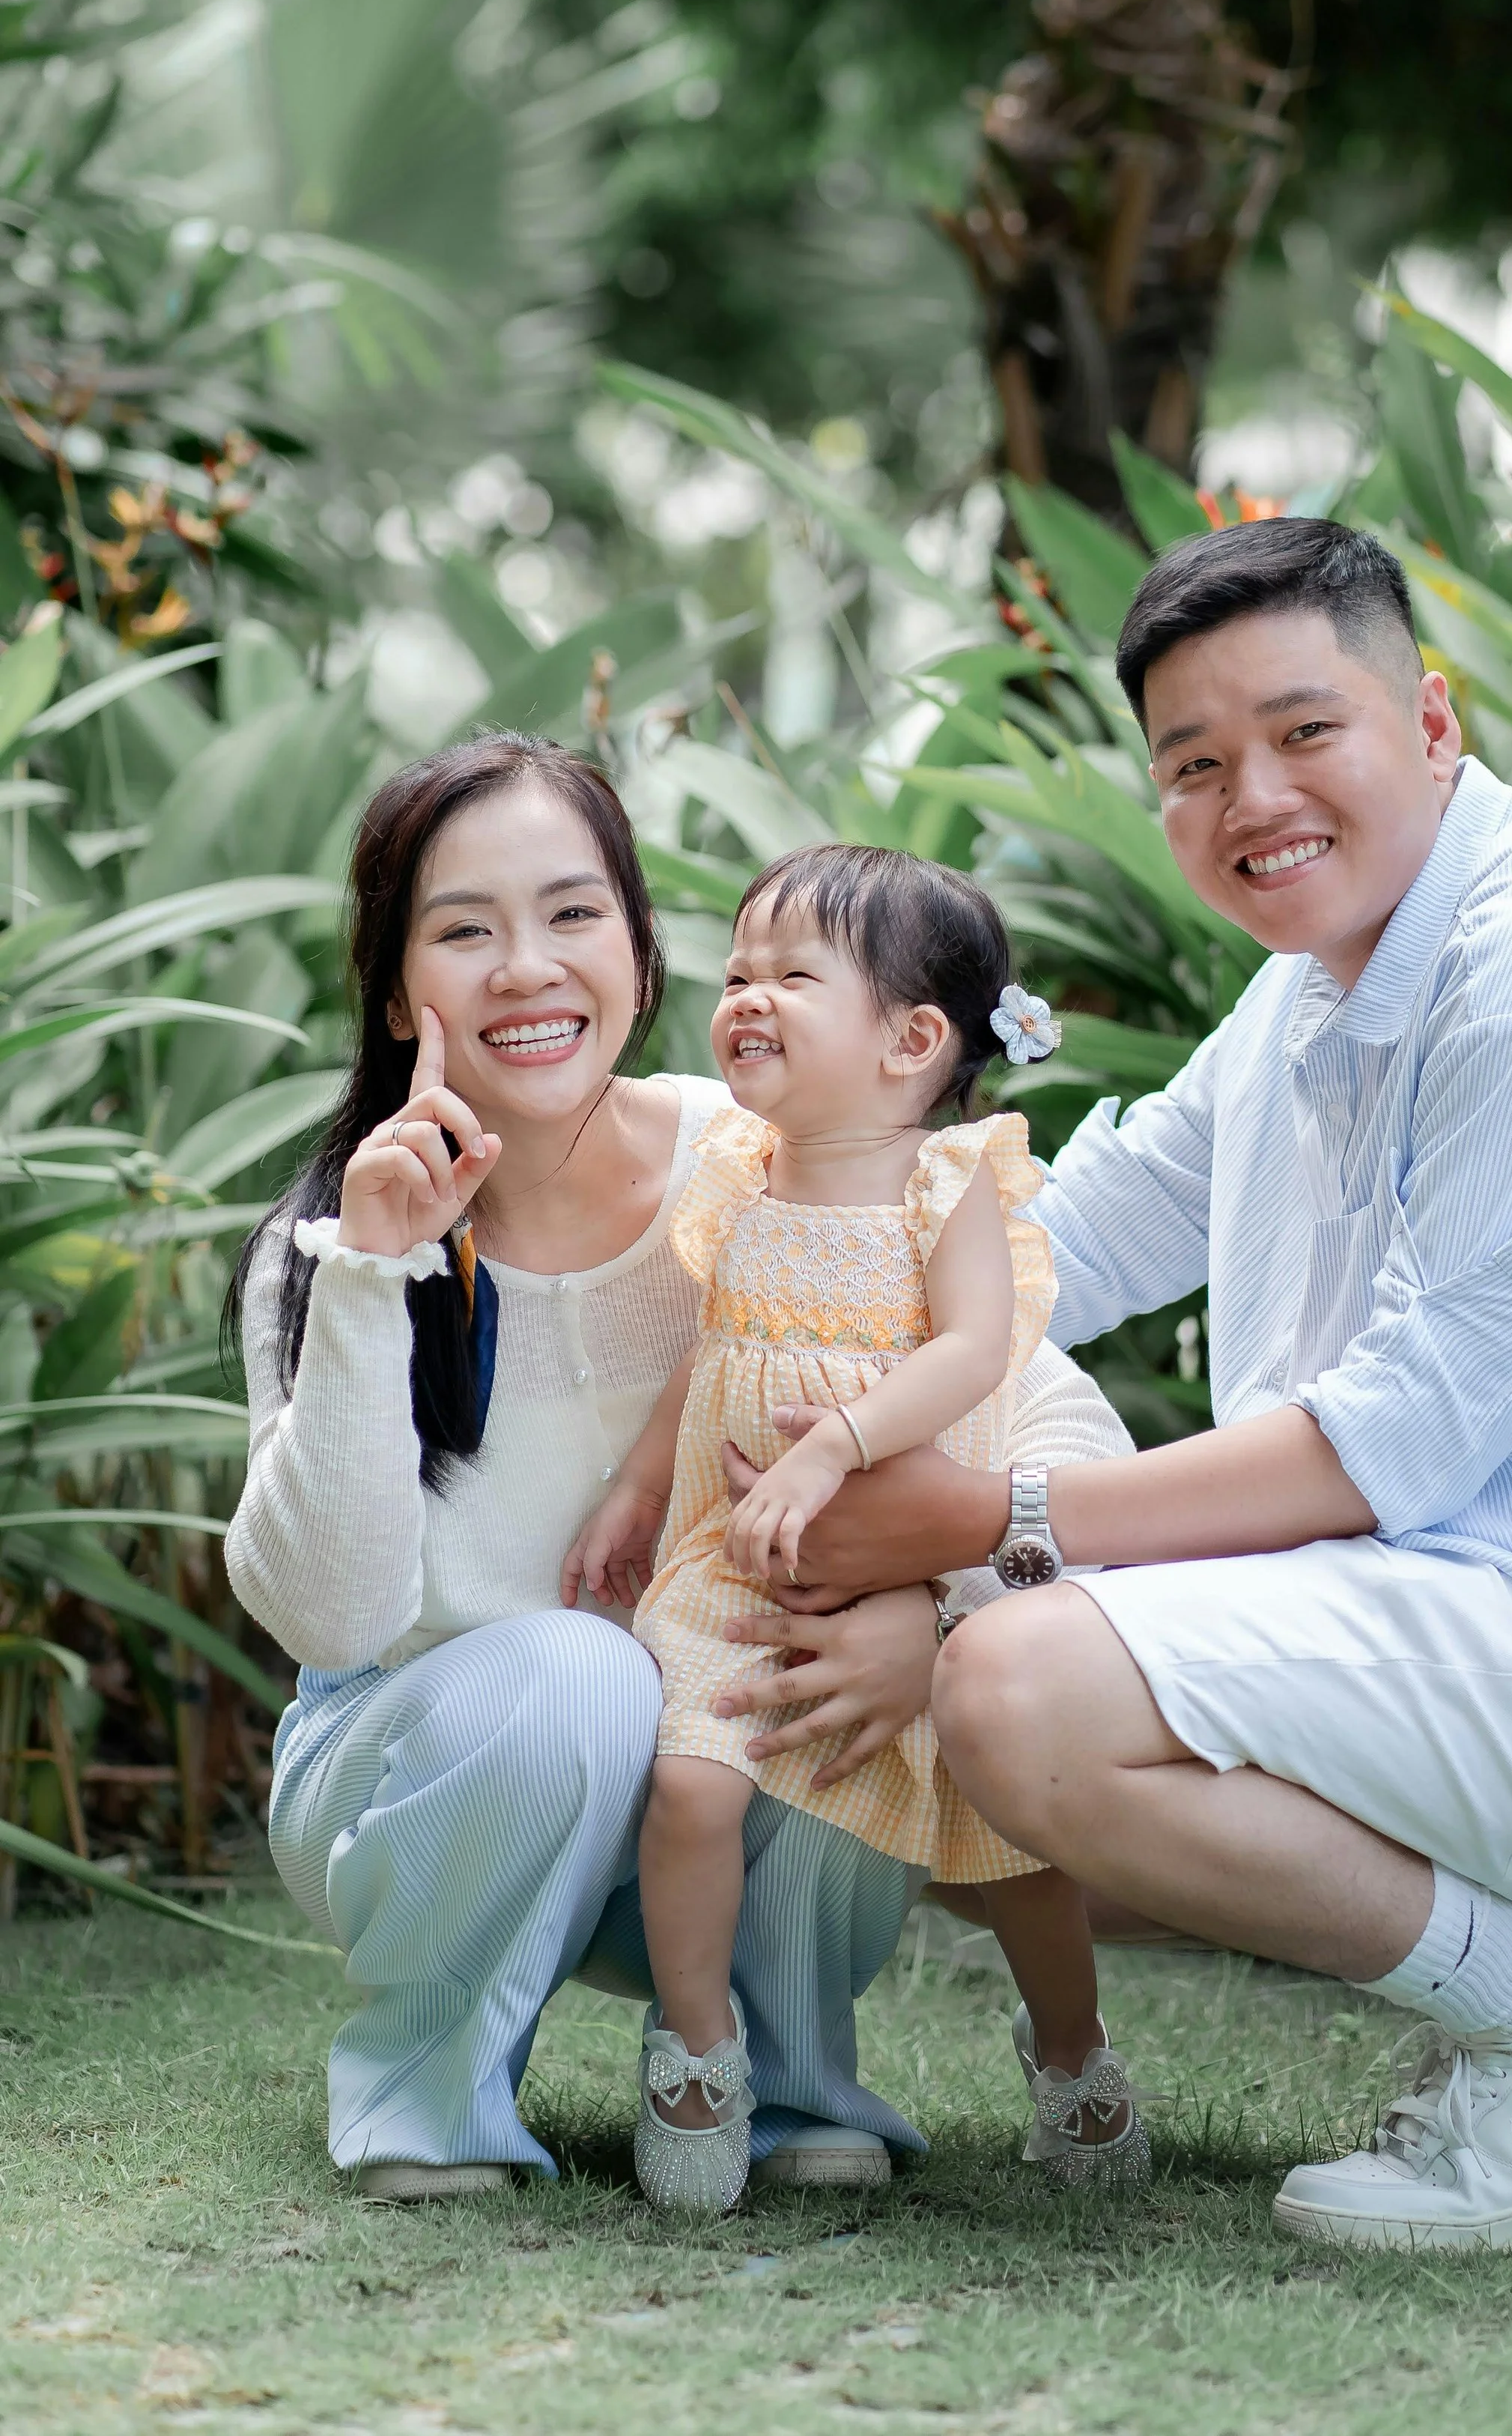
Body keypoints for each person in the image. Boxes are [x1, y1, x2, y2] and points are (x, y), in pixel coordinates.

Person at [756, 517, 1512, 2253]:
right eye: (1193, 765)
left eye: (1300, 732)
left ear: (1428, 722)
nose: (1248, 797)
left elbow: (1387, 1443)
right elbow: (1073, 1240)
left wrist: (989, 1522)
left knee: (1019, 1698)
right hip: (1509, 1631)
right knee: (961, 1698)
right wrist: (770, 1360)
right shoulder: (1314, 991)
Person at [223, 736, 1134, 2202]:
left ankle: (779, 2081)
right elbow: (324, 1621)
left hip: (719, 1769)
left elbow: (1048, 1425)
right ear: (399, 992)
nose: (526, 968)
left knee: (806, 1642)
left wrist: (939, 1609)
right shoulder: (341, 1234)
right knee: (590, 1673)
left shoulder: (776, 1156)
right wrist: (375, 1278)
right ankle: (426, 2093)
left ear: (638, 955)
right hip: (437, 1788)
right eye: (465, 931)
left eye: (572, 915)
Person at [566, 846, 1147, 2211]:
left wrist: (836, 1443)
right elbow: (710, 1346)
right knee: (696, 1782)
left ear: (913, 1039)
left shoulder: (951, 1186)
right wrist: (639, 1484)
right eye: (738, 973)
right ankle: (699, 2046)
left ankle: (1070, 2049)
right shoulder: (739, 1169)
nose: (746, 997)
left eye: (790, 975)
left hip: (907, 1551)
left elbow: (975, 1353)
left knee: (1023, 1852)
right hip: (740, 1555)